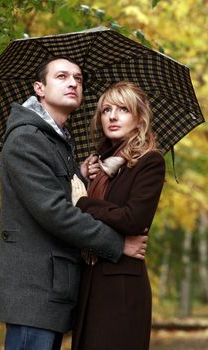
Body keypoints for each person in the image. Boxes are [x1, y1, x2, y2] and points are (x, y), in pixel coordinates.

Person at [0, 58, 147, 350]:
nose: (73, 83)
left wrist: (79, 175)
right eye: (62, 76)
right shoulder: (27, 139)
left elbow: (53, 190)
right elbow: (54, 212)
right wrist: (117, 244)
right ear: (39, 88)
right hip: (34, 292)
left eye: (78, 78)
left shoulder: (56, 141)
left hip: (52, 290)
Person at [71, 81, 166, 350]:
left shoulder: (149, 162)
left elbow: (133, 219)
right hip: (88, 285)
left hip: (121, 289)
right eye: (106, 110)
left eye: (123, 109)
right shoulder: (98, 166)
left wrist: (84, 202)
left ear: (139, 118)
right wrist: (82, 177)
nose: (112, 116)